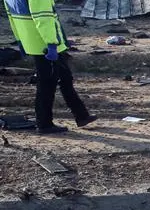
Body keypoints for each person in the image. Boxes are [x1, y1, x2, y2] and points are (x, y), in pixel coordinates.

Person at [4, 0, 95, 134]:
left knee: (65, 78)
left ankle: (81, 115)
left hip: (34, 42)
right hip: (45, 45)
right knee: (47, 85)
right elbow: (44, 18)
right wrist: (52, 44)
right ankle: (44, 123)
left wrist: (21, 42)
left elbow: (12, 18)